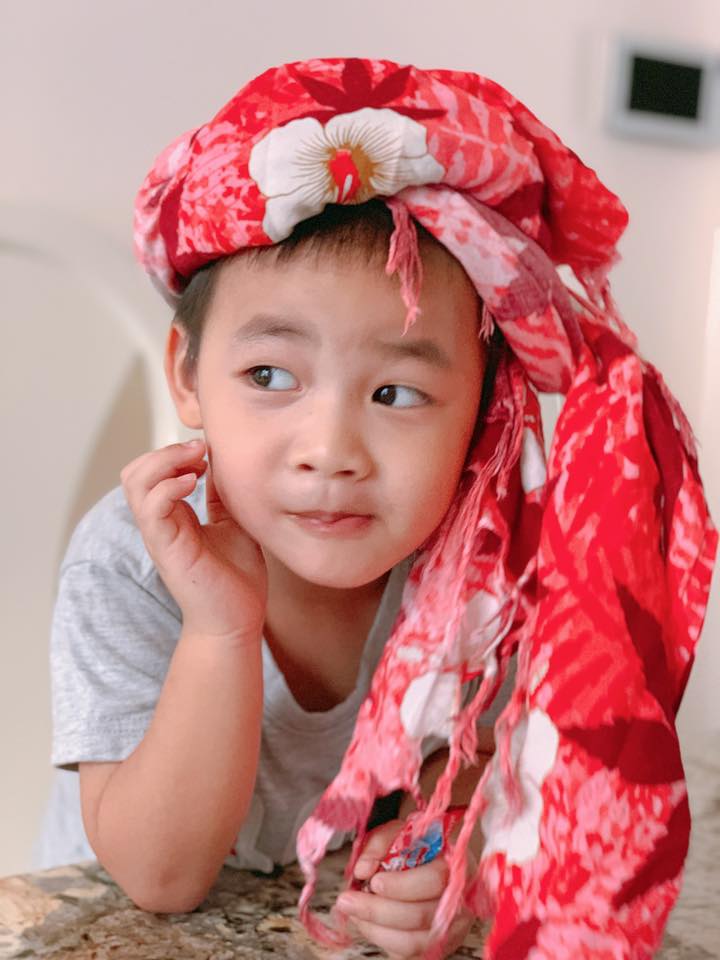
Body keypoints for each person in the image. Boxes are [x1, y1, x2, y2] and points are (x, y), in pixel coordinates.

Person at [39, 57, 716, 960]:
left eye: (395, 393)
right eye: (269, 375)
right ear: (188, 375)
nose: (330, 449)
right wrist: (221, 628)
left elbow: (470, 766)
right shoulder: (134, 556)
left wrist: (436, 854)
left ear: (484, 410)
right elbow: (160, 881)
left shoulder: (484, 567)